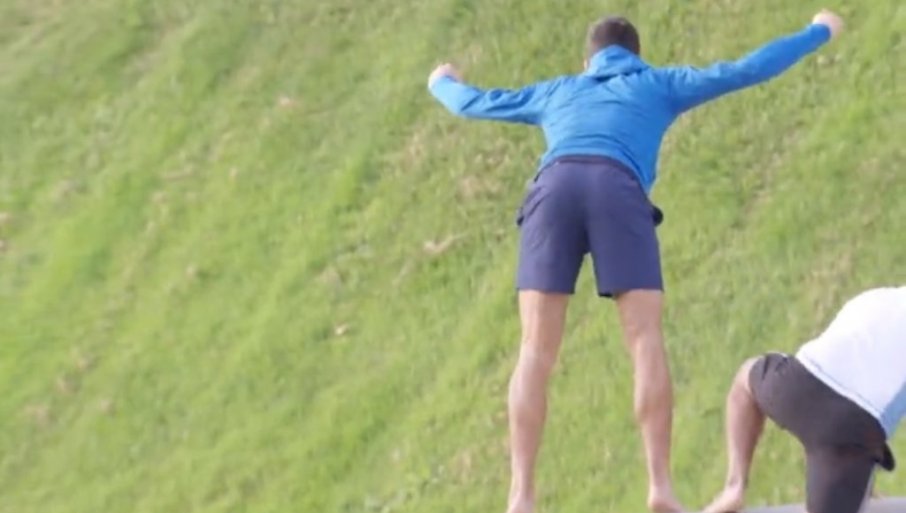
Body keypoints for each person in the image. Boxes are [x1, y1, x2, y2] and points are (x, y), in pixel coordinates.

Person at [427, 10, 844, 513]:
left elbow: (475, 102)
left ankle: (521, 497)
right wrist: (819, 30)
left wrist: (442, 81)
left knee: (534, 349)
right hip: (617, 187)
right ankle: (660, 488)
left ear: (587, 62)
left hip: (553, 188)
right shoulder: (658, 84)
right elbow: (745, 69)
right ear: (637, 56)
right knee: (644, 339)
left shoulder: (561, 90)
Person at [704, 286, 905, 513]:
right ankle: (851, 483)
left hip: (796, 385)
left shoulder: (880, 297)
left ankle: (734, 486)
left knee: (745, 380)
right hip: (848, 431)